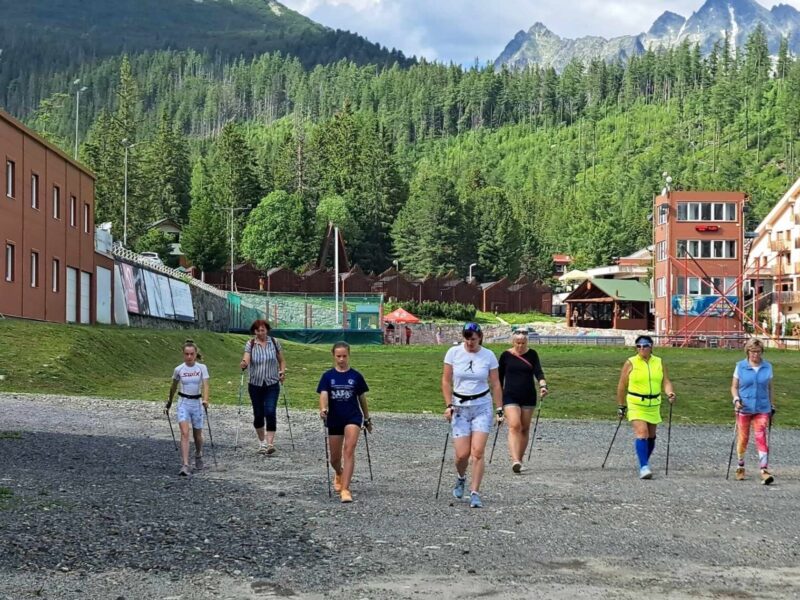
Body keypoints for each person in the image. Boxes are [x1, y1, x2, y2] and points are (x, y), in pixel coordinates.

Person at [441, 322, 503, 508]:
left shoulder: (488, 355)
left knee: (477, 451)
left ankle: (475, 492)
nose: (470, 342)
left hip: (482, 406)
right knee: (462, 455)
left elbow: (496, 384)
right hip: (460, 407)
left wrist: (499, 409)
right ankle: (461, 477)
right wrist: (448, 405)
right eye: (467, 338)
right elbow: (446, 381)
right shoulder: (453, 353)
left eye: (473, 339)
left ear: (480, 337)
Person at [318, 341, 373, 503]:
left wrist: (367, 418)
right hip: (334, 418)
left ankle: (345, 489)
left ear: (348, 355)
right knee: (334, 459)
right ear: (333, 356)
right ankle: (339, 472)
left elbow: (362, 398)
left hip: (352, 417)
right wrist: (323, 408)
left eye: (344, 356)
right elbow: (323, 394)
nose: (341, 359)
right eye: (338, 356)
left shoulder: (356, 376)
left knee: (349, 450)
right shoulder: (328, 376)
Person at [615, 334, 676, 480]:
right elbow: (622, 385)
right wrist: (621, 405)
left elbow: (666, 381)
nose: (642, 348)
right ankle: (644, 467)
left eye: (645, 346)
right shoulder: (631, 362)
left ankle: (644, 461)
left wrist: (670, 392)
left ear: (651, 347)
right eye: (639, 346)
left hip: (653, 403)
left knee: (651, 436)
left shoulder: (659, 362)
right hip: (635, 402)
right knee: (642, 433)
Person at [498, 328, 548, 473]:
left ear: (527, 342)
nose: (520, 346)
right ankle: (514, 459)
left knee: (525, 428)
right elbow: (499, 379)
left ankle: (519, 460)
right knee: (515, 425)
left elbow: (538, 372)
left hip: (528, 395)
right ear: (513, 342)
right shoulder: (505, 355)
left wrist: (543, 385)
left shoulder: (532, 354)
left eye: (523, 343)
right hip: (510, 395)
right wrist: (498, 401)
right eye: (517, 343)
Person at [730, 338, 776, 484]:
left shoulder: (767, 367)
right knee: (743, 437)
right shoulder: (740, 366)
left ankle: (764, 470)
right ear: (747, 352)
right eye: (752, 351)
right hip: (744, 407)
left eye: (758, 352)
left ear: (762, 352)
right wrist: (736, 400)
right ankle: (740, 466)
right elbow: (734, 387)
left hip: (762, 407)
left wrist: (772, 405)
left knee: (761, 436)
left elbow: (770, 388)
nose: (755, 355)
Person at [240, 319, 286, 455]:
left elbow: (281, 360)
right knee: (258, 414)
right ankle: (262, 443)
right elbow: (246, 358)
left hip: (272, 383)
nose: (261, 332)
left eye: (263, 330)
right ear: (254, 331)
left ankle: (270, 443)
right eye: (258, 330)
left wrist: (282, 371)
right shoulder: (251, 344)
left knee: (270, 412)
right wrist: (244, 363)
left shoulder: (274, 342)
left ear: (267, 330)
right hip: (255, 384)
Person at [165, 340, 210, 476]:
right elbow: (173, 387)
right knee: (185, 432)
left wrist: (205, 399)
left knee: (197, 435)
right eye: (186, 354)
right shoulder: (179, 369)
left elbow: (206, 385)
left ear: (195, 354)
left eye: (191, 354)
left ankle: (198, 453)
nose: (189, 357)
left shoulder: (201, 368)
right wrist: (169, 402)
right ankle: (185, 464)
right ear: (183, 354)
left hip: (197, 403)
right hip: (183, 402)